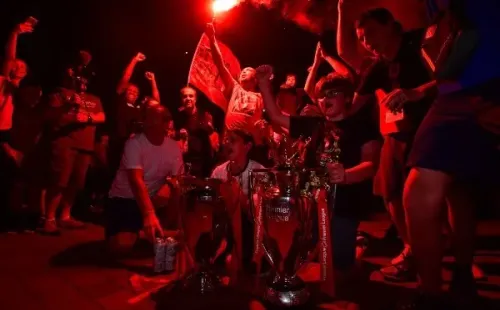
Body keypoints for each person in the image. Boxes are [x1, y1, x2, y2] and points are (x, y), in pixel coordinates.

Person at [398, 0, 500, 308]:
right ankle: (461, 277)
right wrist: (423, 90)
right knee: (457, 190)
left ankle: (431, 296)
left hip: (474, 95)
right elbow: (457, 57)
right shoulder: (443, 14)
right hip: (459, 92)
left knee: (418, 193)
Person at [256, 65, 381, 298]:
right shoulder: (313, 125)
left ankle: (359, 251)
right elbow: (275, 115)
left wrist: (346, 174)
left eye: (332, 93)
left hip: (344, 205)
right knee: (300, 260)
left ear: (347, 98)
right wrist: (264, 83)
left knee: (339, 275)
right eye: (322, 95)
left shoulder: (362, 126)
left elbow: (371, 165)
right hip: (309, 205)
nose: (325, 99)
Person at [337, 6, 436, 281]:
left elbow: (450, 78)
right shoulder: (377, 68)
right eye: (362, 39)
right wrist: (321, 110)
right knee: (388, 188)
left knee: (441, 196)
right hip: (397, 135)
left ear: (391, 25)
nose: (367, 43)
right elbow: (351, 108)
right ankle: (412, 249)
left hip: (432, 129)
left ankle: (455, 258)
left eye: (369, 34)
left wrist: (417, 92)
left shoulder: (419, 43)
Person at [106, 104, 183, 255]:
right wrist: (148, 214)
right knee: (121, 245)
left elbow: (178, 179)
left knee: (175, 191)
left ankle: (161, 230)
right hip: (124, 199)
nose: (150, 123)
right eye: (148, 119)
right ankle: (146, 232)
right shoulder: (134, 143)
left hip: (153, 198)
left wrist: (169, 185)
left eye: (157, 119)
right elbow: (136, 181)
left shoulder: (173, 147)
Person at [39, 71, 105, 235]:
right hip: (65, 142)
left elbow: (102, 116)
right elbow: (49, 116)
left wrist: (88, 118)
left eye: (85, 79)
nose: (82, 81)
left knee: (77, 182)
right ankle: (49, 218)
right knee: (59, 181)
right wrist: (67, 107)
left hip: (85, 145)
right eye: (78, 78)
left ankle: (65, 216)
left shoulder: (94, 98)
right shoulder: (59, 94)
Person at [211, 127, 265, 271]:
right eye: (226, 140)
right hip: (224, 229)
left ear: (247, 147)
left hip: (249, 233)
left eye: (233, 140)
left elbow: (257, 215)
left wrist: (237, 194)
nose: (227, 144)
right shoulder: (218, 172)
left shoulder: (259, 171)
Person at [205, 23, 263, 129]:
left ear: (255, 80)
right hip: (230, 140)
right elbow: (220, 64)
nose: (243, 72)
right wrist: (212, 38)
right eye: (242, 71)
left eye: (248, 70)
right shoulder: (235, 88)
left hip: (249, 141)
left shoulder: (261, 97)